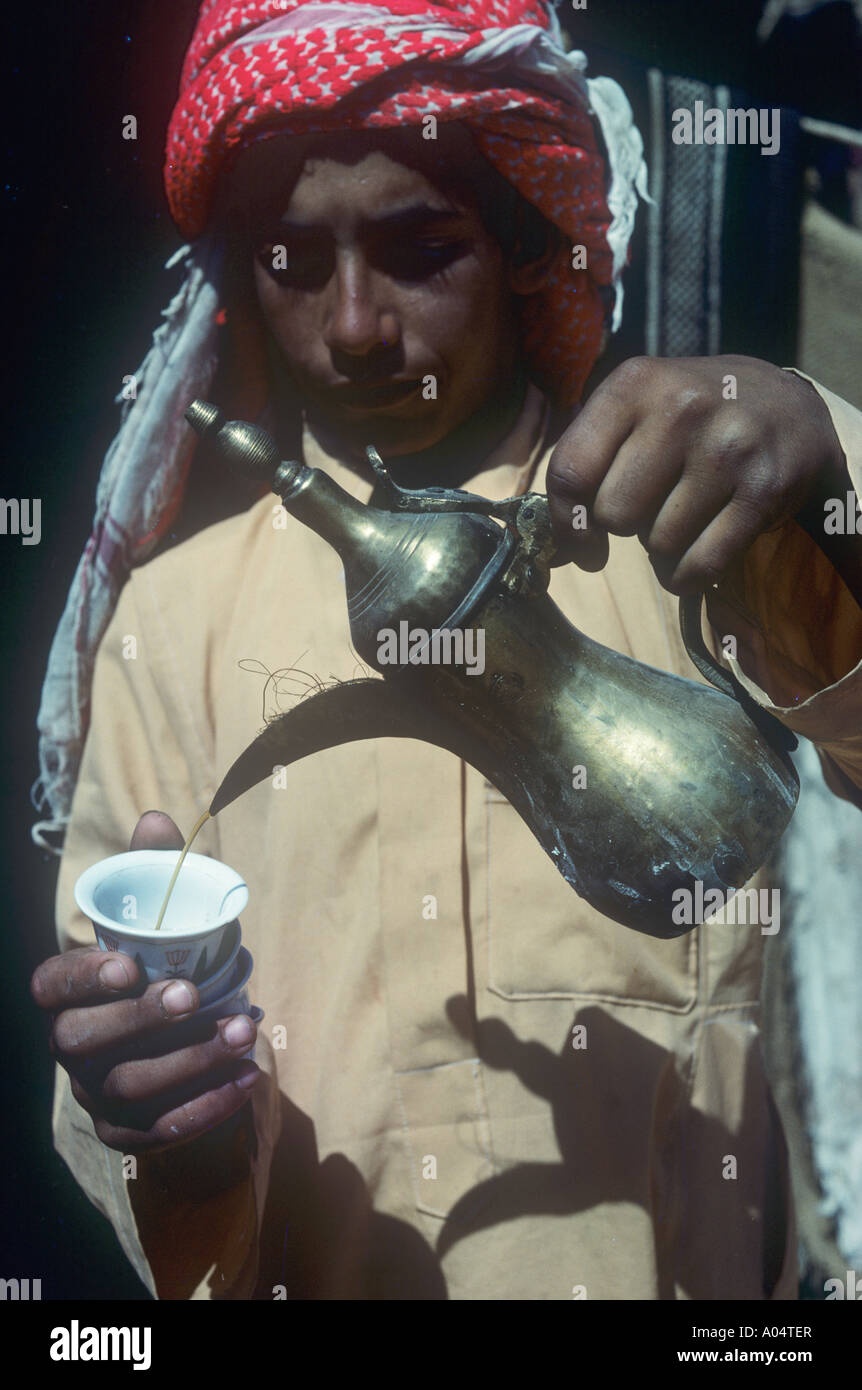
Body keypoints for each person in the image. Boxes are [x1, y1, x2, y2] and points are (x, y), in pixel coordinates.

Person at [30, 0, 862, 1300]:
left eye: (420, 250)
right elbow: (132, 1127)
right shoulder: (174, 621)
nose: (356, 327)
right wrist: (177, 1129)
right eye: (294, 263)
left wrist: (832, 466)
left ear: (528, 246)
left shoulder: (691, 527)